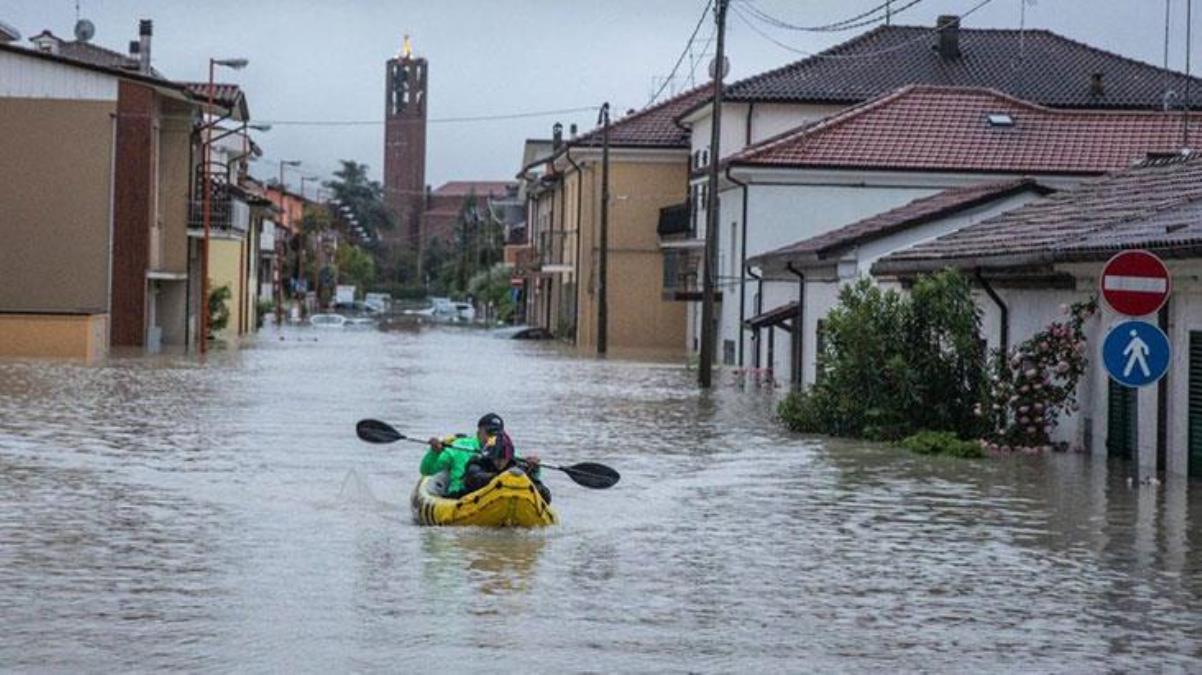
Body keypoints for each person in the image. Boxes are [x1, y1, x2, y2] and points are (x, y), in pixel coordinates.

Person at [461, 413, 552, 504]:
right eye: (496, 458)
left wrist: (532, 472)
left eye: (503, 459)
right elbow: (474, 479)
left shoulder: (517, 467)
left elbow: (546, 496)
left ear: (509, 457)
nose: (499, 463)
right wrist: (506, 477)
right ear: (489, 456)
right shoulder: (477, 463)